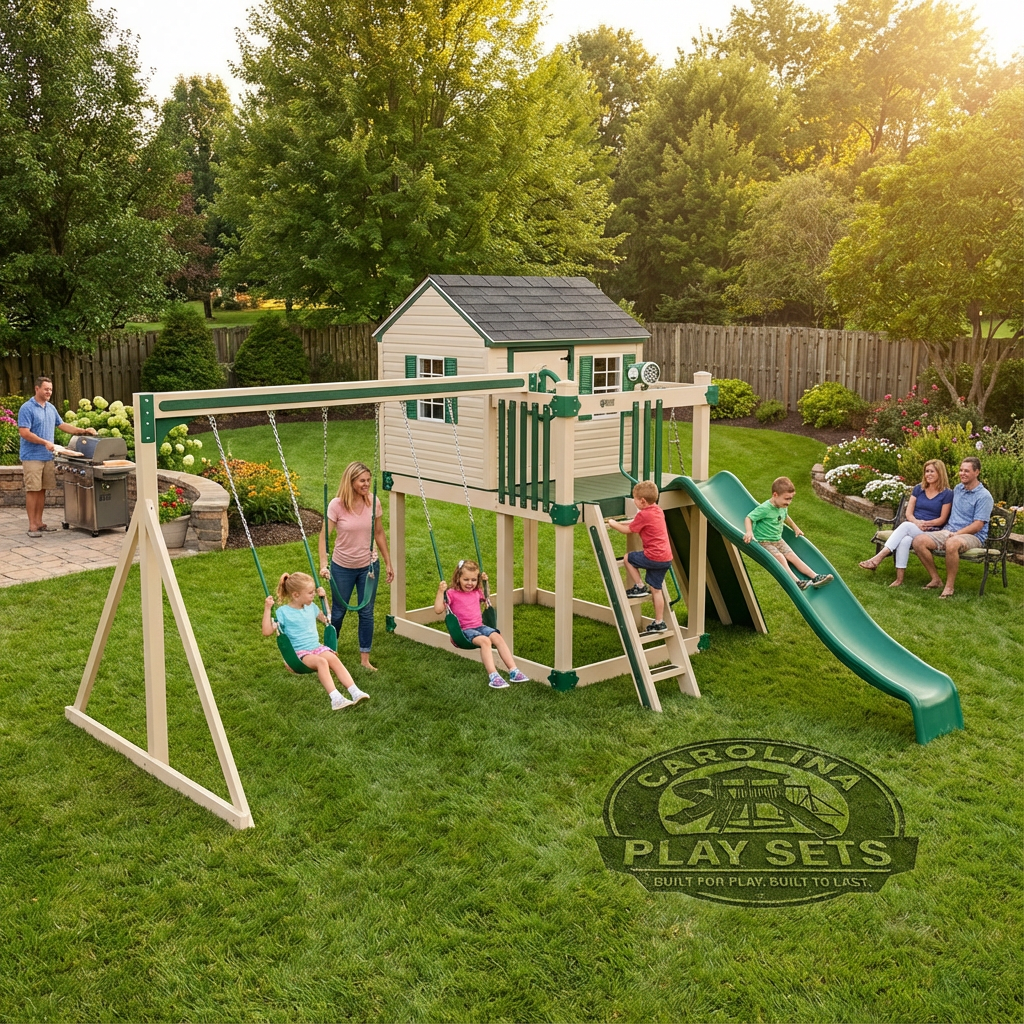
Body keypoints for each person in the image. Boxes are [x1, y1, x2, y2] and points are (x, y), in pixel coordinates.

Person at [318, 461, 395, 672]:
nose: (366, 484)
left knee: (366, 611)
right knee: (338, 612)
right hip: (342, 566)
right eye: (362, 481)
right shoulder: (336, 505)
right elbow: (324, 537)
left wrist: (387, 561)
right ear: (351, 481)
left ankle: (365, 659)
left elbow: (379, 532)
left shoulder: (373, 501)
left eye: (368, 480)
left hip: (368, 566)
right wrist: (324, 564)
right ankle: (328, 653)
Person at [262, 572, 369, 710]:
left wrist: (324, 599)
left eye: (313, 592)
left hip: (316, 648)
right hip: (299, 654)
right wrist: (267, 608)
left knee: (333, 658)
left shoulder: (311, 607)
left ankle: (354, 691)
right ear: (296, 595)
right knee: (322, 662)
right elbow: (267, 631)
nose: (313, 595)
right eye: (310, 593)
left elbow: (328, 619)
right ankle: (336, 698)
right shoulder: (283, 612)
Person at [17, 376, 97, 538]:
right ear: (37, 388)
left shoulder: (50, 408)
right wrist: (44, 442)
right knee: (33, 490)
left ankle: (39, 522)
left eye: (51, 389)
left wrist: (82, 431)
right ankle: (32, 526)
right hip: (32, 457)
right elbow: (24, 432)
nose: (49, 392)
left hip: (47, 456)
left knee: (42, 490)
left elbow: (62, 425)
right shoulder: (27, 408)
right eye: (46, 389)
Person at [434, 559, 528, 689]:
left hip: (480, 626)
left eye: (473, 580)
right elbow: (438, 609)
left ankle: (514, 671)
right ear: (458, 578)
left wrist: (485, 582)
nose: (470, 583)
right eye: (466, 579)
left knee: (497, 637)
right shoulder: (451, 593)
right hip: (464, 631)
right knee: (485, 641)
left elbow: (486, 596)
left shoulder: (477, 591)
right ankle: (493, 676)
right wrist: (440, 591)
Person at [859, 460, 953, 586]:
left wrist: (926, 524)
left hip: (932, 531)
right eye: (927, 471)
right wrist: (917, 522)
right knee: (905, 540)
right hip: (914, 526)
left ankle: (879, 558)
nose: (928, 474)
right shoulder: (919, 489)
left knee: (905, 526)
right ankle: (899, 579)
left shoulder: (947, 494)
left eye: (932, 471)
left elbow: (942, 519)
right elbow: (909, 513)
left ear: (940, 473)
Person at [911, 457, 993, 598]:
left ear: (977, 472)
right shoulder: (958, 489)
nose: (962, 473)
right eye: (961, 470)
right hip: (949, 530)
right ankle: (936, 579)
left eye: (966, 471)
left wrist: (957, 533)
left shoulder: (984, 496)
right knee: (919, 541)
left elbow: (978, 525)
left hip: (973, 536)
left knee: (952, 543)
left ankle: (949, 587)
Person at [606, 479, 676, 632]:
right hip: (665, 558)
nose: (634, 501)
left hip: (653, 556)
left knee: (628, 558)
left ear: (643, 501)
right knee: (656, 590)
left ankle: (639, 586)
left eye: (635, 499)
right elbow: (636, 525)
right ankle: (659, 622)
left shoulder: (643, 515)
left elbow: (627, 530)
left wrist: (612, 523)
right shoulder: (658, 511)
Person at [743, 476, 833, 590]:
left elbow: (785, 517)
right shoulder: (765, 508)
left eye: (791, 499)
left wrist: (795, 528)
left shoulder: (782, 506)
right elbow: (749, 518)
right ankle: (797, 581)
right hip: (764, 541)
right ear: (775, 495)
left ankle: (815, 577)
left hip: (777, 539)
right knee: (780, 557)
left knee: (792, 555)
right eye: (786, 499)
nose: (789, 502)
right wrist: (749, 532)